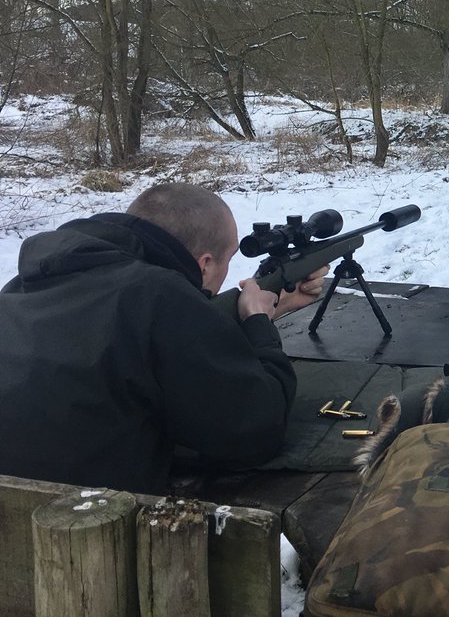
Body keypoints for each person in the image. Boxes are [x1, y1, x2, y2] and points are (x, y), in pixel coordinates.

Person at [0, 182, 328, 494]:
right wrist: (259, 325)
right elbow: (256, 431)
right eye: (227, 262)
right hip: (87, 531)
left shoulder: (24, 285)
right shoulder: (159, 295)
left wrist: (267, 310)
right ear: (205, 264)